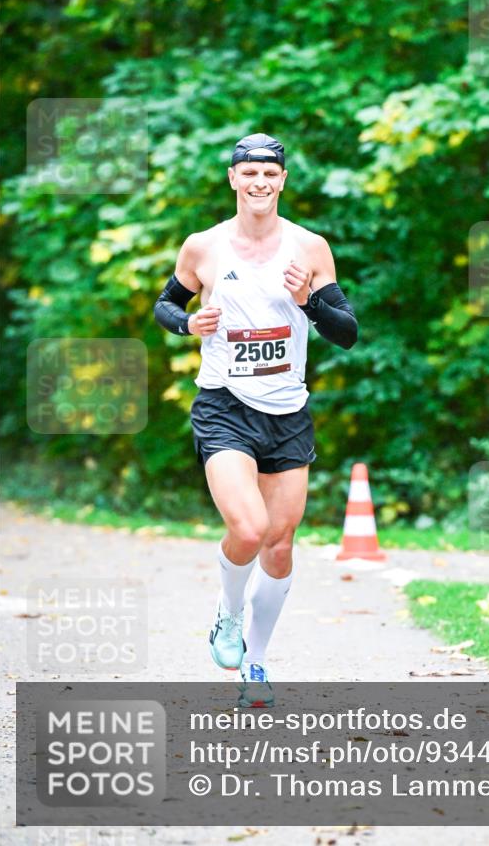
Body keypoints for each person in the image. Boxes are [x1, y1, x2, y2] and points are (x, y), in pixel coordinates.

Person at [153, 133, 358, 706]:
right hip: (224, 405)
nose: (260, 182)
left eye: (270, 173)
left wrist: (309, 301)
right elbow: (166, 305)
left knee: (280, 544)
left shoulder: (309, 247)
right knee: (248, 530)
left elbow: (347, 332)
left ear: (283, 180)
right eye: (250, 173)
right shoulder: (204, 246)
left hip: (288, 410)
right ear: (233, 179)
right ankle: (227, 612)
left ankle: (256, 663)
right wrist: (186, 325)